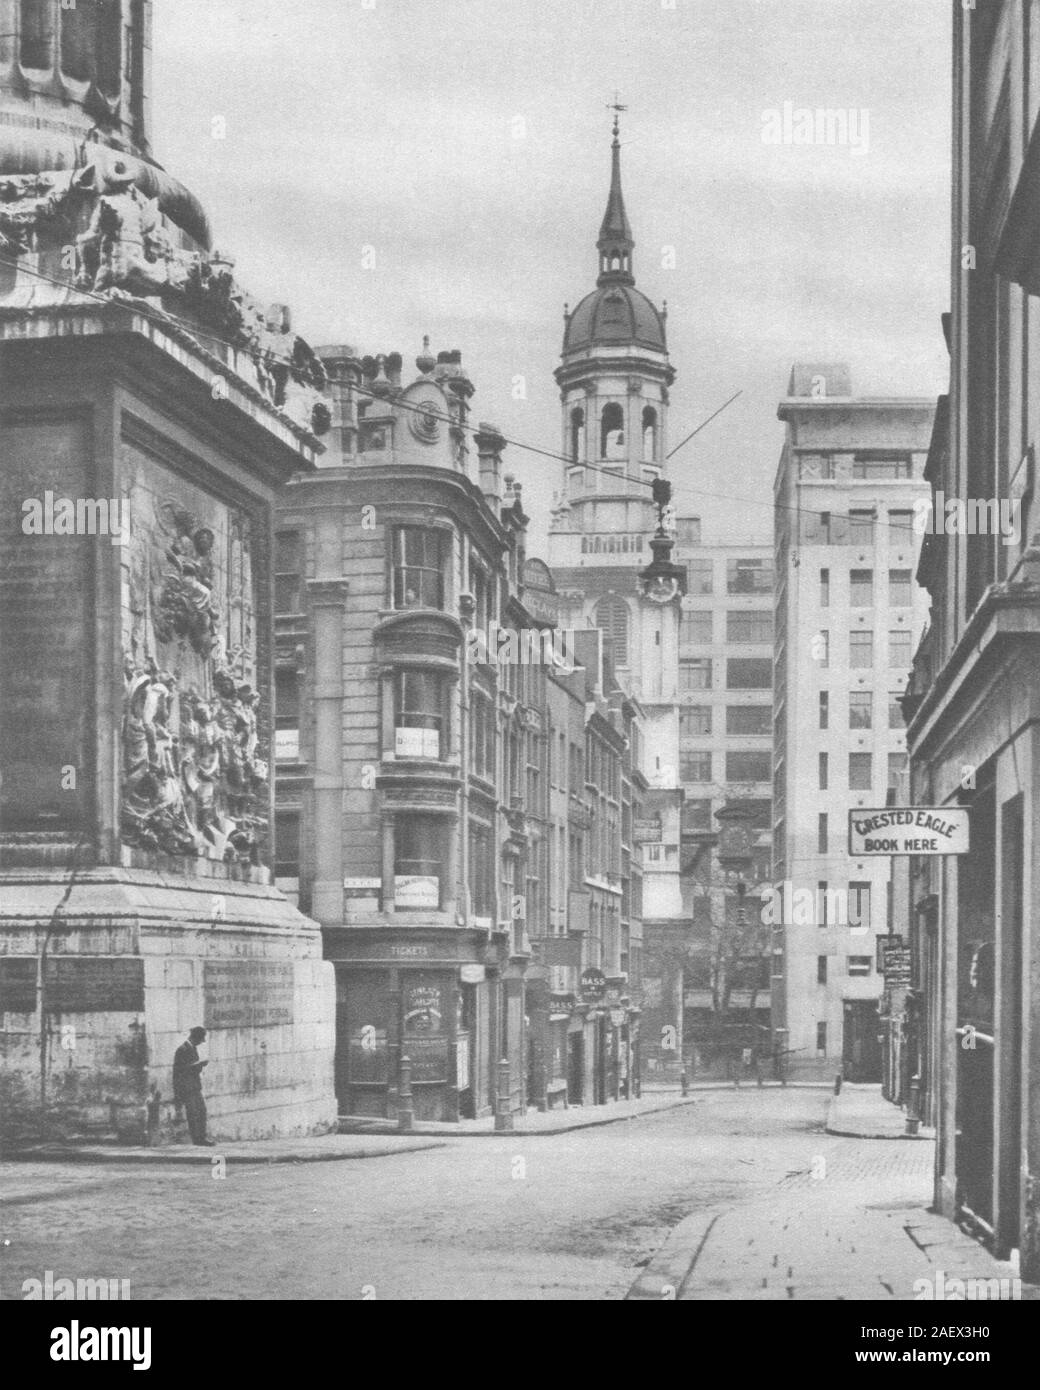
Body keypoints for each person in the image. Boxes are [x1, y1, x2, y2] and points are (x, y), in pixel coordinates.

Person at [173, 1027, 214, 1145]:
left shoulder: (192, 1048)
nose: (202, 1042)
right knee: (193, 1113)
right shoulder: (182, 1050)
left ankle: (201, 1137)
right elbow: (180, 1071)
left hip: (195, 1086)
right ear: (195, 1038)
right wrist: (199, 1065)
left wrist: (199, 1066)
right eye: (201, 1039)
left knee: (201, 1111)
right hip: (187, 1088)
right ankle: (197, 1140)